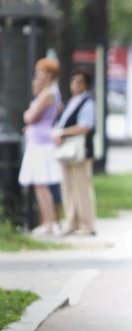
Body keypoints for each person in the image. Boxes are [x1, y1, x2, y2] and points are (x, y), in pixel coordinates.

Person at [18, 58, 63, 236]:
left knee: (41, 185)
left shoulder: (48, 93)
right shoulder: (51, 92)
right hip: (40, 140)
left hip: (41, 144)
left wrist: (27, 113)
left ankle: (48, 223)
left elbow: (30, 117)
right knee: (40, 185)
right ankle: (48, 222)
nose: (38, 76)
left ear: (49, 73)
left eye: (40, 72)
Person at [52, 67, 97, 236]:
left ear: (86, 84)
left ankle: (87, 224)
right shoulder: (73, 101)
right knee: (68, 188)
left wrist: (62, 132)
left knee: (82, 188)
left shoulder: (87, 102)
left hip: (80, 150)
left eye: (79, 81)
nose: (75, 84)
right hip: (68, 150)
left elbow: (85, 127)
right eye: (73, 80)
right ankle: (71, 221)